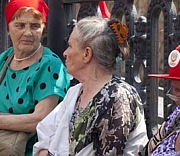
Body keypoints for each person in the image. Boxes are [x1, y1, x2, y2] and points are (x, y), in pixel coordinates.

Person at [0, 0, 71, 156]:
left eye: (35, 26)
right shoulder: (6, 59)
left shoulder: (50, 65)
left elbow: (41, 118)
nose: (28, 32)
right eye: (20, 25)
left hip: (31, 151)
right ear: (8, 29)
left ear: (43, 30)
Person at [33, 16, 148, 156]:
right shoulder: (75, 93)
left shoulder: (118, 97)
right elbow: (45, 135)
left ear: (86, 54)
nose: (65, 53)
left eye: (70, 46)